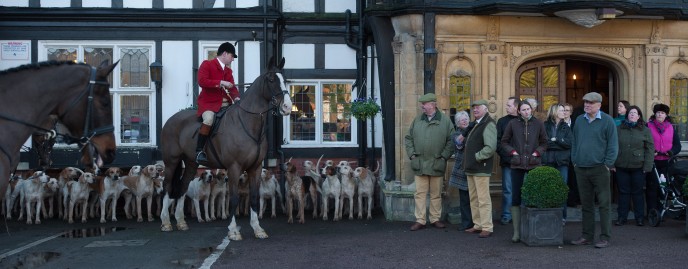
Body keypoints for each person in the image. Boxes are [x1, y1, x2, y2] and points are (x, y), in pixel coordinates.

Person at [570, 92, 618, 249]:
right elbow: (574, 141)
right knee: (586, 204)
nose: (586, 105)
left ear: (599, 105)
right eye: (585, 102)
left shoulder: (607, 121)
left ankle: (605, 237)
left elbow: (613, 145)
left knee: (604, 204)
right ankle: (587, 236)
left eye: (590, 103)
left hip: (600, 169)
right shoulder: (579, 120)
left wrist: (607, 164)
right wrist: (575, 160)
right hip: (581, 168)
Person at [404, 93, 454, 231]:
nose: (422, 107)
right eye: (422, 104)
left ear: (433, 104)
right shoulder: (417, 120)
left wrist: (444, 156)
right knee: (419, 193)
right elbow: (408, 138)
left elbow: (451, 140)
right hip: (419, 163)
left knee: (436, 194)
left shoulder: (445, 121)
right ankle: (420, 220)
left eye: (424, 104)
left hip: (437, 163)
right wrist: (412, 155)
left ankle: (435, 219)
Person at [500, 100, 548, 243]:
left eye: (528, 109)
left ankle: (533, 229)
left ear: (531, 110)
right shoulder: (512, 124)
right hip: (517, 165)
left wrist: (537, 153)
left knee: (533, 196)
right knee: (516, 197)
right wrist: (513, 152)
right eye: (523, 109)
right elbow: (504, 142)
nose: (526, 112)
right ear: (519, 111)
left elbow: (545, 142)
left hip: (533, 164)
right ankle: (516, 232)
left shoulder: (539, 123)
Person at [195, 42, 241, 163]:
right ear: (224, 54)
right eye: (232, 56)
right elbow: (202, 81)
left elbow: (232, 89)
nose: (232, 59)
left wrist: (236, 98)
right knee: (209, 119)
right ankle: (199, 151)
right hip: (209, 105)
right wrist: (221, 82)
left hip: (226, 105)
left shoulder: (228, 71)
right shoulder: (207, 65)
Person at [611, 106, 653, 226]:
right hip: (621, 166)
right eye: (630, 113)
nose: (632, 115)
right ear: (627, 115)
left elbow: (650, 149)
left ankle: (639, 218)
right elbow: (612, 146)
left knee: (638, 193)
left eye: (635, 113)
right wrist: (611, 163)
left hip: (638, 167)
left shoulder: (645, 130)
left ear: (639, 116)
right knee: (623, 193)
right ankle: (621, 217)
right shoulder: (618, 129)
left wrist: (647, 166)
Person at [462, 100, 497, 238]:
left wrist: (477, 157)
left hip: (480, 167)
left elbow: (490, 148)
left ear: (486, 109)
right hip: (471, 167)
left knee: (483, 199)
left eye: (477, 108)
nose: (474, 110)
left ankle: (487, 227)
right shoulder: (476, 124)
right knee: (474, 198)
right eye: (473, 108)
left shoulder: (488, 124)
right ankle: (478, 225)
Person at [646, 103, 682, 215]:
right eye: (658, 113)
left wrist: (671, 152)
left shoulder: (671, 127)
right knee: (652, 187)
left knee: (664, 187)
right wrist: (651, 151)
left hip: (667, 162)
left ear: (666, 115)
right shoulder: (648, 126)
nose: (660, 115)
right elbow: (643, 143)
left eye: (662, 113)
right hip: (653, 162)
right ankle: (652, 212)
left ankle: (662, 210)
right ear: (655, 114)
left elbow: (677, 145)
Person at [543, 103, 573, 223]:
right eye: (561, 110)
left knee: (562, 189)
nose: (564, 112)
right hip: (548, 160)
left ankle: (562, 217)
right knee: (548, 189)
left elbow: (569, 143)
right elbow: (544, 143)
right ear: (555, 112)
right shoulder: (545, 126)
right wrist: (559, 143)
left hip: (562, 162)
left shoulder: (566, 127)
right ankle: (549, 216)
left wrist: (556, 140)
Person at [449, 110, 474, 231]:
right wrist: (467, 130)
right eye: (461, 120)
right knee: (464, 199)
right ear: (457, 123)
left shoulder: (473, 131)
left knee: (475, 197)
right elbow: (459, 143)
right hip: (461, 169)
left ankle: (477, 222)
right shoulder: (455, 134)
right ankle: (466, 223)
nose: (465, 121)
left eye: (466, 119)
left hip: (474, 167)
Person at [496, 97, 519, 225]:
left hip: (523, 162)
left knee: (522, 189)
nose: (506, 107)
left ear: (516, 107)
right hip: (507, 161)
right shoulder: (502, 121)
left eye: (509, 105)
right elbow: (498, 141)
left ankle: (521, 214)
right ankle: (506, 214)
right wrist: (506, 155)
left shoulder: (523, 121)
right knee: (507, 190)